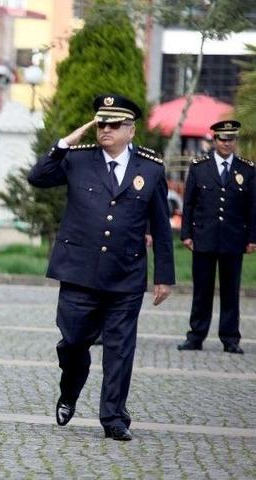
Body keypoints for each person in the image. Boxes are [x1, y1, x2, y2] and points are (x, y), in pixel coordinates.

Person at [27, 94, 174, 442]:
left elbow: (161, 225)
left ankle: (113, 417)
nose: (105, 129)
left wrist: (164, 276)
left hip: (126, 274)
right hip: (79, 273)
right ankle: (69, 391)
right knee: (73, 343)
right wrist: (65, 142)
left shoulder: (150, 168)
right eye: (101, 123)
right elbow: (37, 177)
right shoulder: (77, 159)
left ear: (130, 130)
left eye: (113, 124)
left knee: (120, 349)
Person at [178, 120, 255, 355]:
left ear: (235, 141)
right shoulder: (199, 167)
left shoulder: (247, 170)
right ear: (215, 140)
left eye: (231, 139)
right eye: (222, 139)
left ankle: (230, 338)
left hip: (233, 239)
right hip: (204, 237)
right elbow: (189, 204)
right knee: (202, 291)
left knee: (231, 291)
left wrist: (252, 238)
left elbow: (252, 208)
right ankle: (196, 335)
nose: (227, 143)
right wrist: (186, 233)